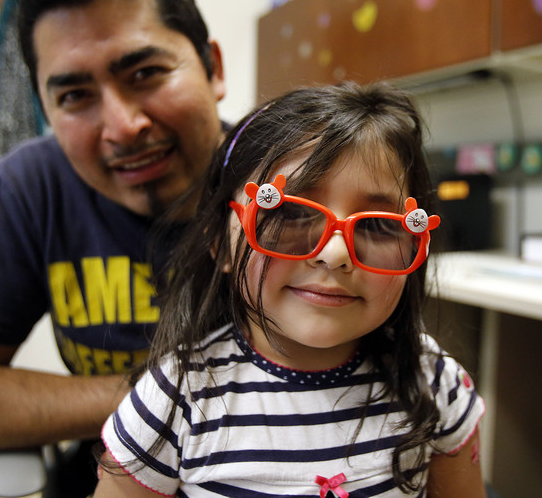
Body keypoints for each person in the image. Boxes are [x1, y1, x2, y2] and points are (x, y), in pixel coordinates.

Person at [0, 0, 225, 495]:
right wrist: (183, 393)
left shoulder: (280, 182)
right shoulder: (32, 187)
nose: (122, 126)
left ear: (213, 68)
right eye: (75, 95)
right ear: (45, 108)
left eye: (145, 72)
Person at [95, 83, 487, 497]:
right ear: (218, 240)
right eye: (289, 212)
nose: (335, 254)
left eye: (377, 224)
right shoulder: (175, 397)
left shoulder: (433, 381)